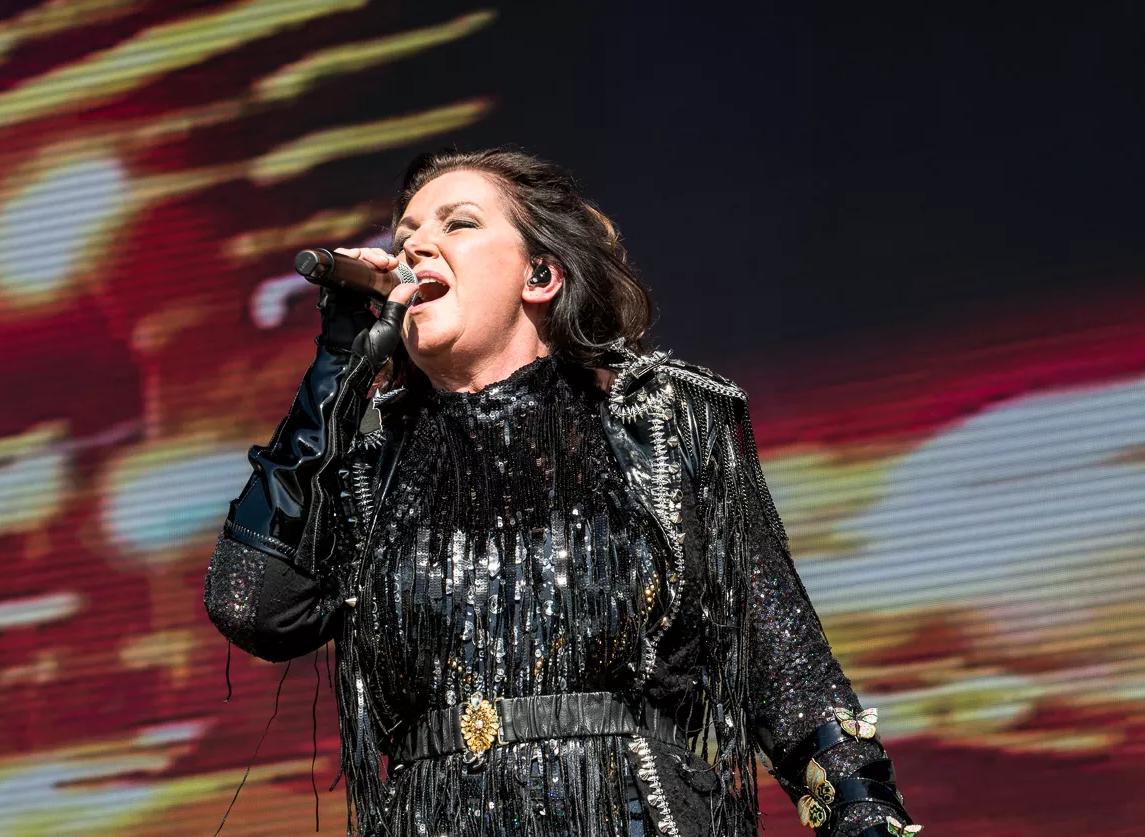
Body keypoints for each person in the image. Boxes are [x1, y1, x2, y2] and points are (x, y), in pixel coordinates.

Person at [204, 148, 918, 837]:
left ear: (541, 275)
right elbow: (253, 607)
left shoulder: (661, 425)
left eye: (458, 223)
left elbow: (788, 674)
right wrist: (337, 367)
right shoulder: (368, 464)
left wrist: (865, 816)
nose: (414, 248)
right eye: (404, 235)